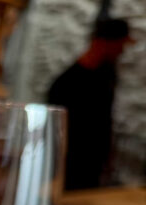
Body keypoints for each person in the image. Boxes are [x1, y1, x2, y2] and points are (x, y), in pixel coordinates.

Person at [47, 17, 133, 190]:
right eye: (120, 45)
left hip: (92, 169)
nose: (122, 51)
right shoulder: (66, 84)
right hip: (69, 168)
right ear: (105, 42)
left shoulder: (106, 75)